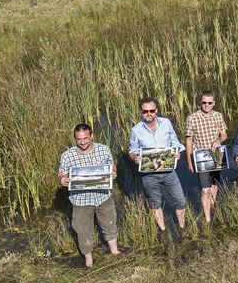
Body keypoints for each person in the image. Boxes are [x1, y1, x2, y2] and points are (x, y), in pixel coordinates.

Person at [57, 123, 120, 268]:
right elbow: (61, 173)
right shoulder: (67, 155)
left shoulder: (103, 149)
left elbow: (112, 165)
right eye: (79, 139)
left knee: (109, 223)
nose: (83, 142)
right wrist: (62, 180)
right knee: (82, 230)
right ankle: (88, 259)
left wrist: (113, 172)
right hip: (80, 199)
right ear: (74, 139)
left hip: (102, 196)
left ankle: (114, 251)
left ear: (91, 136)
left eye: (85, 138)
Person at [129, 97, 187, 232]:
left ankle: (182, 228)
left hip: (168, 172)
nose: (148, 113)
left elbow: (175, 142)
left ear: (156, 110)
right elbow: (132, 150)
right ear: (140, 112)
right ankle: (163, 231)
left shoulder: (166, 123)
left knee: (180, 200)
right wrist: (135, 158)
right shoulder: (136, 130)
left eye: (151, 110)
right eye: (145, 111)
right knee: (156, 204)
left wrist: (177, 151)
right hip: (149, 175)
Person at [184, 90, 228, 224]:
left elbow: (224, 135)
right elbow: (188, 141)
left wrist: (219, 141)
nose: (207, 105)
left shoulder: (218, 116)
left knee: (214, 185)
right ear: (200, 103)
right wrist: (190, 161)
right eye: (204, 102)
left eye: (209, 103)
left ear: (214, 103)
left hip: (216, 155)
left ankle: (213, 207)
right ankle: (208, 219)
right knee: (205, 189)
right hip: (201, 157)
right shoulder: (192, 118)